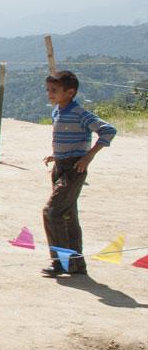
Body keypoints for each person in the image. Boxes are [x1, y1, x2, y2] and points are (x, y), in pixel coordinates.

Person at [40, 70, 116, 278]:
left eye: (54, 90)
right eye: (48, 90)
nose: (50, 94)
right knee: (68, 216)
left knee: (52, 212)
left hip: (75, 169)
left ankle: (60, 262)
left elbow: (108, 130)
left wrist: (88, 156)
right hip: (61, 167)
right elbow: (70, 139)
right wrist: (57, 156)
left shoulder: (80, 113)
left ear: (70, 92)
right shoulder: (57, 112)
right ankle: (75, 264)